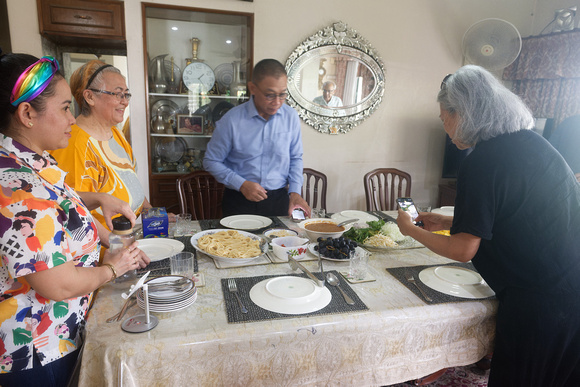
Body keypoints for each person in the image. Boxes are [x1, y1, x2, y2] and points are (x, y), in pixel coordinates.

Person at [397, 65, 580, 386]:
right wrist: (446, 221)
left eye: (445, 118)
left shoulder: (481, 161)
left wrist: (411, 230)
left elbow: (463, 249)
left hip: (539, 299)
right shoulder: (532, 144)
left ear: (463, 113)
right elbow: (515, 217)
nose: (445, 128)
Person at [0, 52, 149, 386]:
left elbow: (56, 205)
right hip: (38, 349)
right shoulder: (20, 190)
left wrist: (94, 198)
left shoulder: (29, 163)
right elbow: (59, 283)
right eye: (66, 108)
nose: (72, 119)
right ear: (27, 114)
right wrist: (114, 268)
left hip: (60, 335)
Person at [50, 60, 153, 246]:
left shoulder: (115, 132)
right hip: (106, 252)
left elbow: (131, 181)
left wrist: (153, 215)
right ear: (89, 97)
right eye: (118, 94)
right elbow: (75, 211)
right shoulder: (73, 143)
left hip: (131, 238)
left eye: (126, 94)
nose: (125, 101)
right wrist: (119, 247)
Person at [203, 59, 311, 217]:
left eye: (282, 95)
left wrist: (295, 192)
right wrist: (241, 184)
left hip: (278, 200)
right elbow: (211, 161)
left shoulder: (290, 117)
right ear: (252, 88)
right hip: (240, 199)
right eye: (270, 95)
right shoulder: (231, 120)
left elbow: (295, 157)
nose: (277, 102)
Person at [548, 114, 580, 181]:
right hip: (559, 176)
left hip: (557, 176)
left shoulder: (569, 121)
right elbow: (549, 149)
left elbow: (548, 150)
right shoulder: (569, 122)